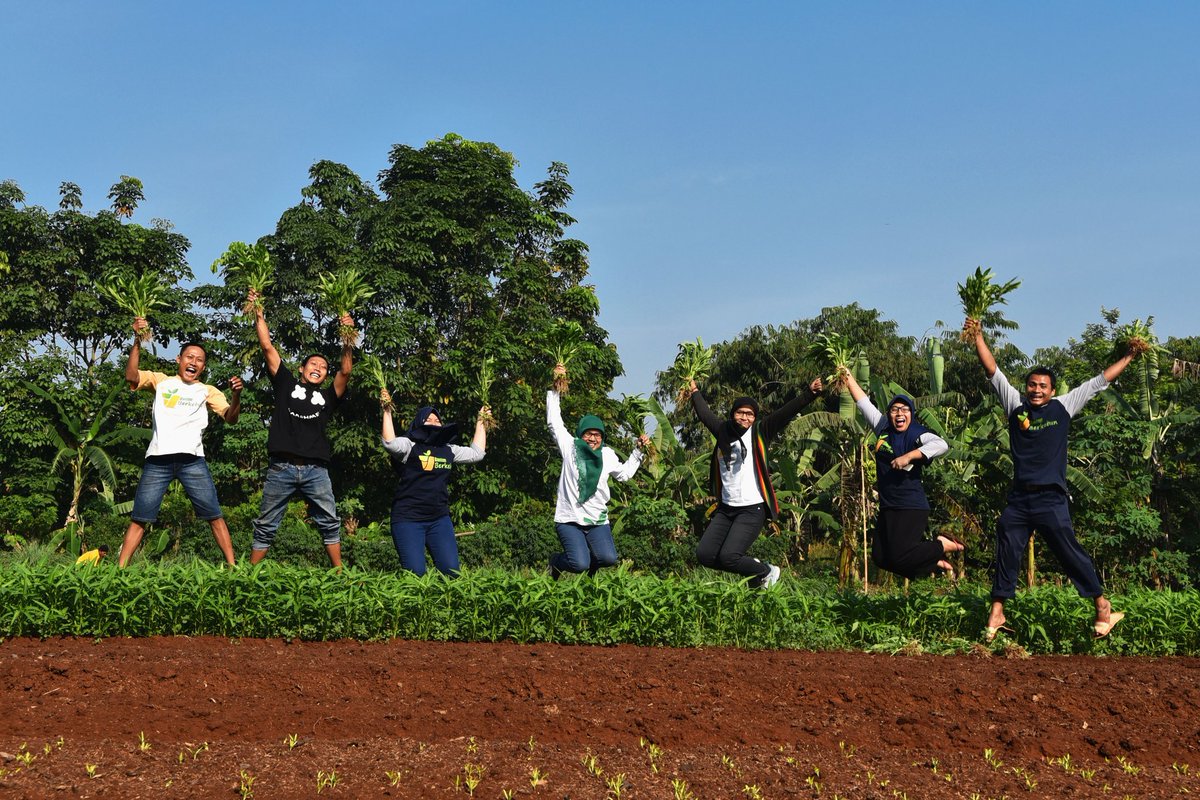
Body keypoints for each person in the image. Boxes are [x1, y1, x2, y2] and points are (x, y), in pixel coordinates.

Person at [968, 318, 1136, 640]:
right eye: (1032, 385)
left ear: (1052, 390)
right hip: (1020, 499)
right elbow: (992, 370)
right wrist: (977, 335)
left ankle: (1101, 606)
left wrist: (1129, 356)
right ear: (1026, 387)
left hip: (1051, 498)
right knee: (1007, 545)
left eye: (1043, 386)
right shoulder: (1015, 405)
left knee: (1068, 550)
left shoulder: (1063, 406)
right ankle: (997, 612)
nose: (1037, 390)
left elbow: (1099, 381)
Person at [118, 318, 242, 567]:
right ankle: (119, 570)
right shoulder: (161, 381)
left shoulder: (207, 391)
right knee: (140, 517)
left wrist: (237, 394)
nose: (193, 362)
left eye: (199, 360)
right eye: (189, 357)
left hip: (192, 461)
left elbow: (230, 418)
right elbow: (131, 375)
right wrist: (137, 340)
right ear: (179, 359)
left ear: (203, 367)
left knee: (214, 515)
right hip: (158, 459)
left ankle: (233, 567)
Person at [248, 290, 354, 568]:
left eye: (323, 366)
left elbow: (345, 372)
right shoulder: (285, 384)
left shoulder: (329, 397)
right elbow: (268, 347)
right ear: (301, 368)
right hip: (281, 467)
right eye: (313, 363)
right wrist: (258, 311)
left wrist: (347, 338)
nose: (318, 367)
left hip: (315, 470)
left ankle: (340, 572)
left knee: (329, 521)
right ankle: (250, 575)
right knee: (266, 523)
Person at [687, 374, 822, 588]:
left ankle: (766, 571)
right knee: (705, 554)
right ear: (733, 414)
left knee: (730, 555)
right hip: (726, 509)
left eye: (750, 414)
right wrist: (694, 391)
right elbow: (705, 414)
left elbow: (785, 413)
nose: (745, 418)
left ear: (754, 417)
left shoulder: (759, 431)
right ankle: (757, 575)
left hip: (751, 509)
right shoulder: (722, 431)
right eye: (740, 413)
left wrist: (810, 393)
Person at [843, 370, 960, 580]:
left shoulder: (917, 433)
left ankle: (941, 545)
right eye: (895, 409)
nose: (899, 414)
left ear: (911, 414)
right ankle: (933, 563)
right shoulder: (883, 428)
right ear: (889, 414)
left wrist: (909, 457)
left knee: (898, 556)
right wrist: (846, 376)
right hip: (888, 504)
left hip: (910, 505)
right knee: (880, 557)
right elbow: (862, 402)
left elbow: (941, 445)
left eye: (904, 410)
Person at [547, 364, 649, 577]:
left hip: (597, 520)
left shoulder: (608, 455)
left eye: (597, 435)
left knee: (608, 558)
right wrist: (557, 386)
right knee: (578, 563)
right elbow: (554, 422)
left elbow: (624, 475)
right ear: (580, 434)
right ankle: (556, 562)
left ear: (602, 437)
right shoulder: (570, 446)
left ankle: (589, 580)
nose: (593, 438)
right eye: (588, 433)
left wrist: (638, 451)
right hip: (569, 519)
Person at [382, 401, 488, 576]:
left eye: (437, 420)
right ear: (418, 423)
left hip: (439, 519)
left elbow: (477, 454)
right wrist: (387, 410)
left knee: (452, 571)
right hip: (408, 519)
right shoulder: (410, 446)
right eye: (428, 419)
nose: (433, 422)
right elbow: (390, 443)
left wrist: (481, 420)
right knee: (415, 573)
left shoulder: (448, 450)